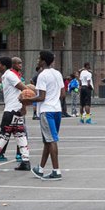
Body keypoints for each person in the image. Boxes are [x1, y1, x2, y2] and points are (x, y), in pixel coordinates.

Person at [31, 50, 66, 180]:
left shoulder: (42, 75)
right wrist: (54, 100)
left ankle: (56, 171)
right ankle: (40, 169)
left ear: (44, 61)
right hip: (57, 110)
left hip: (47, 111)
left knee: (51, 140)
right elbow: (62, 94)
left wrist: (26, 100)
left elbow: (41, 97)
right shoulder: (57, 73)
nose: (37, 61)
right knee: (48, 140)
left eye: (39, 59)